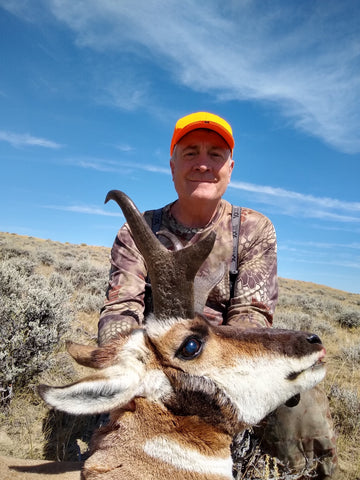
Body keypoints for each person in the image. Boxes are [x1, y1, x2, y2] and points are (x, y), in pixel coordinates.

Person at [98, 112, 338, 479]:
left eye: (215, 154)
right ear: (173, 164)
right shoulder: (138, 232)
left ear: (230, 166)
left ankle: (309, 472)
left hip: (226, 359)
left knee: (300, 403)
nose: (203, 164)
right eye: (191, 152)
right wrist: (133, 365)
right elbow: (121, 310)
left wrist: (210, 372)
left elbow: (251, 318)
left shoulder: (253, 229)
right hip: (160, 364)